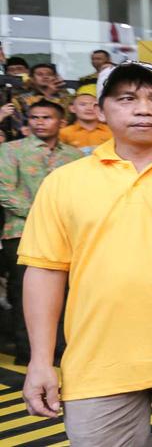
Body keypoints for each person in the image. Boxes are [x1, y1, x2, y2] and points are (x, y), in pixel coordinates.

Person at [18, 62, 152, 444]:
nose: (143, 109)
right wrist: (40, 361)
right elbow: (44, 271)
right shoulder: (64, 183)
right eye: (127, 99)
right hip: (95, 365)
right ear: (101, 111)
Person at [0, 99, 83, 364]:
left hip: (68, 234)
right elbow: (4, 191)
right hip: (22, 232)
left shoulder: (74, 156)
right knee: (25, 292)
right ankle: (28, 352)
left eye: (46, 117)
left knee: (68, 292)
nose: (39, 122)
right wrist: (42, 216)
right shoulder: (10, 150)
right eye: (34, 117)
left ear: (61, 122)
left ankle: (61, 348)